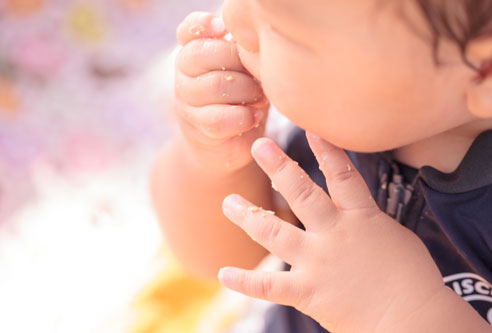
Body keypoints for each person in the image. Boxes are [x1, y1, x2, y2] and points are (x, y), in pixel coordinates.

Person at [151, 0, 492, 331]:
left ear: (482, 71)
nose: (233, 17)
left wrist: (399, 312)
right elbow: (215, 257)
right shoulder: (338, 121)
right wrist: (215, 162)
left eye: (283, 30)